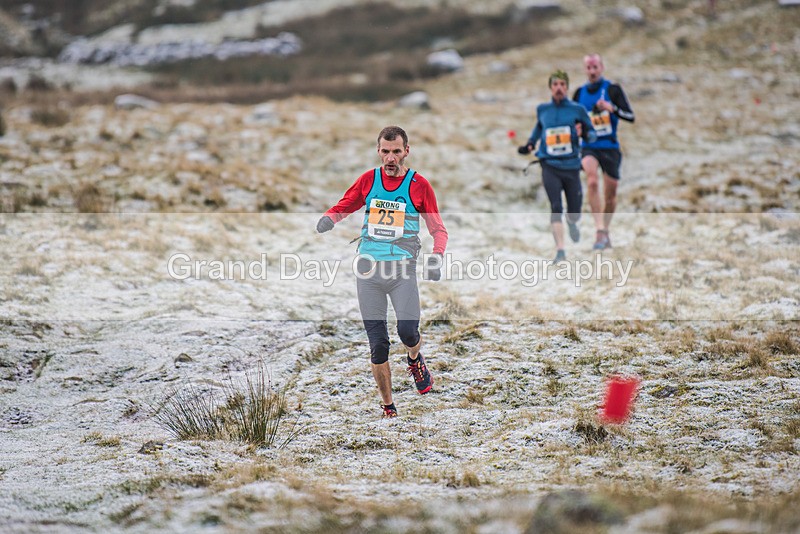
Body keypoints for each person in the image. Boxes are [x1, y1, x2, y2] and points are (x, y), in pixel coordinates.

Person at [316, 126, 448, 419]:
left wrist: (437, 256)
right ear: (379, 151)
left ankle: (415, 359)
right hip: (368, 271)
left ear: (406, 152)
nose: (390, 158)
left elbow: (438, 228)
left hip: (402, 271)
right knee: (378, 344)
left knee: (407, 331)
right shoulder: (368, 180)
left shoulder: (419, 185)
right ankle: (388, 407)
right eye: (385, 151)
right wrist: (330, 218)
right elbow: (346, 203)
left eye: (396, 151)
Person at [518, 70, 596, 262]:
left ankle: (572, 223)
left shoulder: (577, 110)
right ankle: (560, 251)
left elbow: (592, 135)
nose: (559, 88)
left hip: (571, 167)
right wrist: (529, 145)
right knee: (555, 207)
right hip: (549, 166)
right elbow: (538, 130)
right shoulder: (543, 109)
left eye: (562, 84)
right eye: (555, 85)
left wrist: (584, 132)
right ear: (550, 88)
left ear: (567, 87)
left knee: (574, 211)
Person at [572, 53, 635, 250]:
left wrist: (611, 108)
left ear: (602, 67)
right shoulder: (579, 93)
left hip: (610, 147)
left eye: (595, 67)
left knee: (611, 195)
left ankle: (605, 231)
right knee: (591, 181)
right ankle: (599, 230)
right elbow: (574, 122)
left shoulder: (613, 90)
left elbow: (630, 116)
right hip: (589, 147)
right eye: (588, 68)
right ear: (585, 69)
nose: (592, 71)